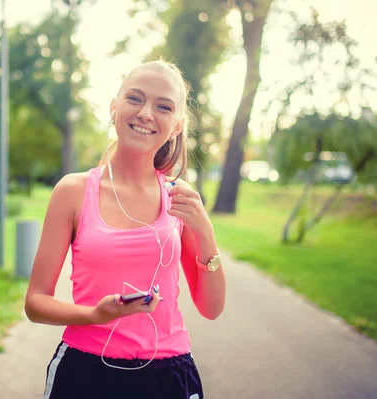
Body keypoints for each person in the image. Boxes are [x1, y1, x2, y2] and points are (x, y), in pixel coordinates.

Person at [24, 59, 227, 399]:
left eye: (163, 106)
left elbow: (212, 308)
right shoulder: (73, 191)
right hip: (85, 373)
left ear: (176, 126)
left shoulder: (180, 199)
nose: (146, 113)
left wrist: (205, 234)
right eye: (135, 99)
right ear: (114, 107)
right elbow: (35, 303)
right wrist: (94, 314)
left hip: (169, 373)